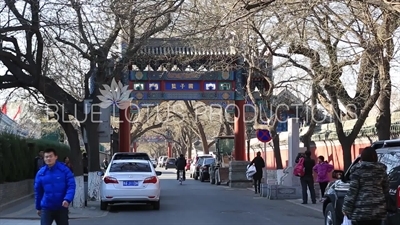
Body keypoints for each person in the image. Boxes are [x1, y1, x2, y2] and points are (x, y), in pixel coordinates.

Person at [342, 147, 389, 225]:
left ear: (362, 157)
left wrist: (346, 208)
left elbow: (352, 192)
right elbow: (386, 189)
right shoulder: (381, 171)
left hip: (361, 212)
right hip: (378, 211)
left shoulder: (358, 171)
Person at [35, 148, 76, 225]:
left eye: (50, 156)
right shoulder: (41, 173)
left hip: (61, 207)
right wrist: (38, 207)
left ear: (56, 157)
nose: (48, 159)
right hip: (46, 208)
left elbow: (71, 186)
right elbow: (38, 192)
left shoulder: (64, 170)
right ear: (44, 158)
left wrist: (67, 199)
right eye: (46, 157)